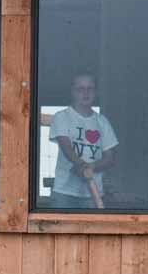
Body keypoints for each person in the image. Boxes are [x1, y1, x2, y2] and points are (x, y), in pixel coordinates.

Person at [49, 72, 118, 209]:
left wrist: (90, 167)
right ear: (72, 92)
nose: (85, 93)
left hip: (93, 193)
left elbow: (110, 157)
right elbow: (66, 147)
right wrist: (81, 164)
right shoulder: (62, 117)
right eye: (80, 89)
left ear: (96, 92)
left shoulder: (102, 122)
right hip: (65, 192)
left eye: (90, 89)